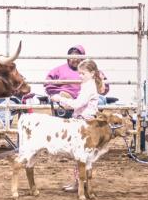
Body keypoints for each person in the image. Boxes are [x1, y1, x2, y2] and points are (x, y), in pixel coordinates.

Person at [52, 59, 103, 192]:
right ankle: (79, 182)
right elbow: (78, 104)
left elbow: (77, 104)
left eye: (83, 73)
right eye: (79, 73)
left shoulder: (89, 87)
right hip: (84, 122)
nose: (80, 76)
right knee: (81, 155)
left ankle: (80, 183)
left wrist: (60, 99)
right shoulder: (88, 85)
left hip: (84, 124)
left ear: (92, 73)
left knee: (81, 156)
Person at [44, 45, 109, 118]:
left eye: (77, 57)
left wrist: (60, 99)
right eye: (72, 57)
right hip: (70, 100)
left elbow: (77, 104)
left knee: (101, 100)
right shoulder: (58, 70)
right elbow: (48, 83)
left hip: (84, 117)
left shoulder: (90, 82)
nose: (75, 59)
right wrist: (58, 93)